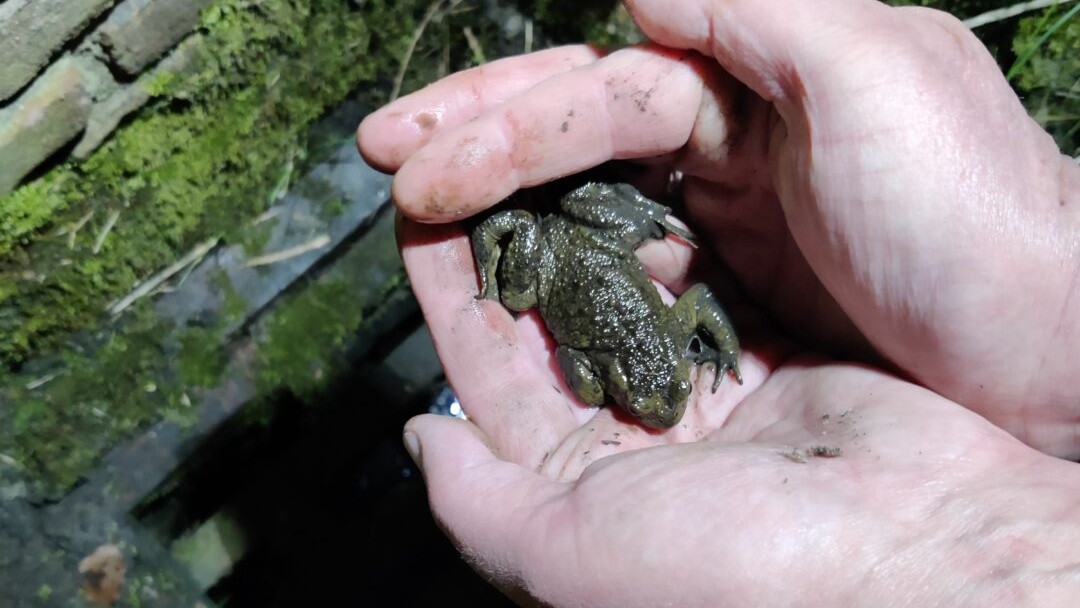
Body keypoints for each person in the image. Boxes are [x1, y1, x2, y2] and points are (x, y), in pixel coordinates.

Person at [358, 0, 1080, 604]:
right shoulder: (641, 351)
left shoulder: (619, 363)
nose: (663, 407)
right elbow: (686, 305)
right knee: (523, 282)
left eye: (661, 397)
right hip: (581, 258)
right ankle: (508, 229)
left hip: (593, 269)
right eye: (656, 402)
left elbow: (668, 312)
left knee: (542, 275)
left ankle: (515, 228)